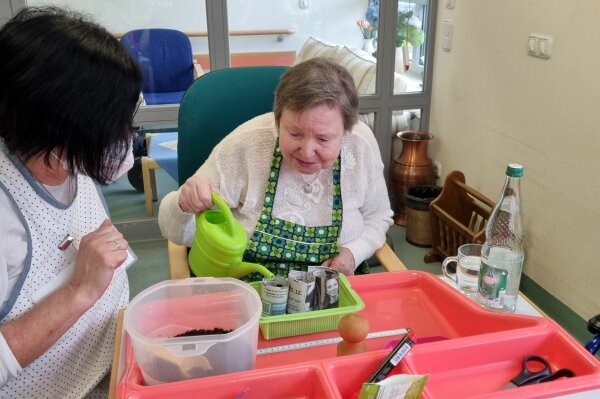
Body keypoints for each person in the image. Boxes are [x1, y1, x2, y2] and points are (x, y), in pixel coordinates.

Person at [0, 7, 142, 398]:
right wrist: (78, 289)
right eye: (113, 122)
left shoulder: (68, 163)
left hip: (117, 365)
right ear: (62, 123)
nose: (126, 135)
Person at [159, 58, 393, 278]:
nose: (307, 150)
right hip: (251, 295)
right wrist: (184, 203)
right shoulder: (247, 143)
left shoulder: (360, 144)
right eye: (294, 133)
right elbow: (173, 230)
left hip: (335, 290)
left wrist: (354, 253)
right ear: (278, 119)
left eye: (323, 139)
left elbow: (379, 217)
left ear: (346, 130)